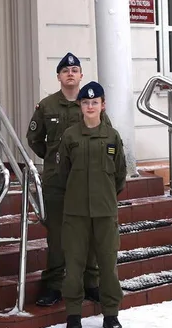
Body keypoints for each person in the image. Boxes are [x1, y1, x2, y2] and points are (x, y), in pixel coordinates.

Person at [26, 53, 112, 307]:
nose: (71, 74)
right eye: (66, 71)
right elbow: (34, 140)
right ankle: (53, 285)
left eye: (75, 70)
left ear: (81, 75)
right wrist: (54, 160)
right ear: (59, 77)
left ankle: (90, 283)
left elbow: (107, 137)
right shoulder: (47, 106)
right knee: (58, 236)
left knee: (89, 233)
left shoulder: (90, 105)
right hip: (57, 182)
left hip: (87, 182)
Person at [56, 81, 128, 328]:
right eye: (85, 102)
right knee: (74, 265)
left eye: (94, 102)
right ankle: (74, 315)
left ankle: (111, 314)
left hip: (105, 212)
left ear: (102, 105)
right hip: (75, 212)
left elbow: (120, 174)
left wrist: (105, 196)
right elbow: (62, 174)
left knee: (108, 265)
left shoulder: (112, 136)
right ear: (80, 105)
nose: (90, 106)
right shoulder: (70, 136)